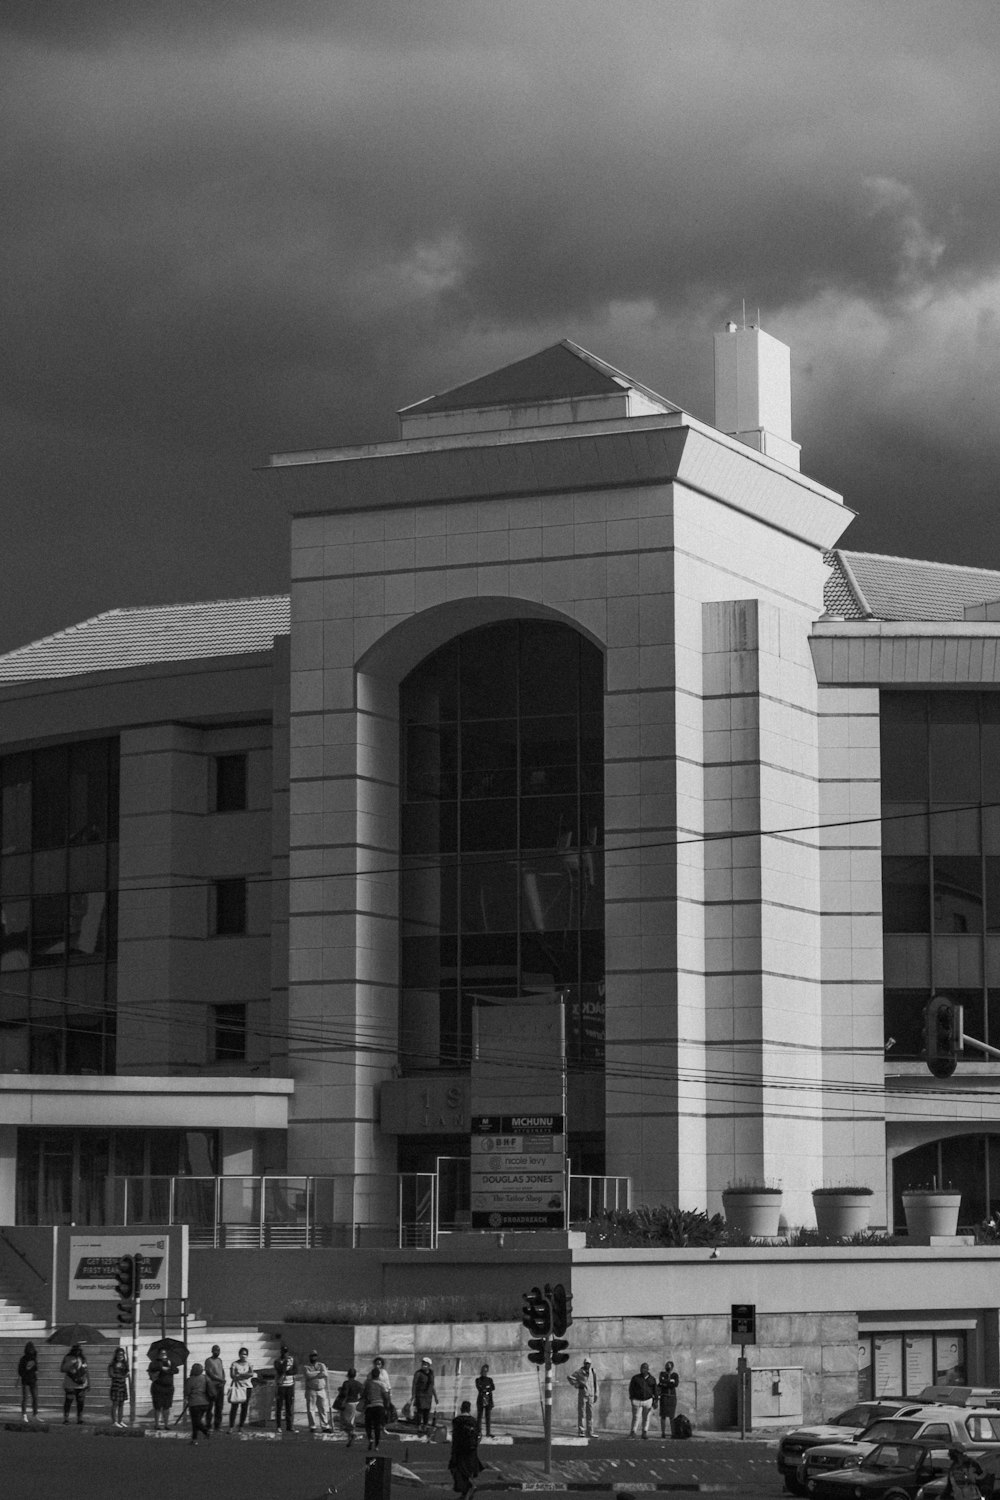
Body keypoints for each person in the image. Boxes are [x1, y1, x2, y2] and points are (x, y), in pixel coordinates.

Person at [449, 1399, 484, 1500]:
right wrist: (475, 1445)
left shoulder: (456, 1421)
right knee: (468, 1471)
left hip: (460, 1451)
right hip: (471, 1451)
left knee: (457, 1470)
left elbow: (455, 1437)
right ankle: (466, 1494)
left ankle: (470, 1488)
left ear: (461, 1409)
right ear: (469, 1409)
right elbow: (479, 1435)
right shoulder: (474, 1421)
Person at [302, 1349, 332, 1433]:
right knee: (311, 1409)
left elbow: (325, 1374)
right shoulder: (306, 1366)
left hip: (321, 1390)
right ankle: (312, 1426)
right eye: (312, 1356)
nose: (313, 1357)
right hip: (311, 1390)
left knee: (323, 1408)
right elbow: (308, 1375)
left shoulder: (321, 1365)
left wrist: (314, 1374)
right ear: (309, 1357)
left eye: (315, 1355)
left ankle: (325, 1426)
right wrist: (319, 1374)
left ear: (317, 1356)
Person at [568, 1357, 597, 1437]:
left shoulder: (593, 1371)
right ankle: (581, 1431)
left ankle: (590, 1432)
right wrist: (577, 1385)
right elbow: (570, 1378)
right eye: (586, 1363)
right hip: (582, 1394)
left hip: (591, 1395)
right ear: (584, 1364)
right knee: (582, 1414)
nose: (587, 1365)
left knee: (590, 1414)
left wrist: (596, 1393)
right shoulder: (579, 1372)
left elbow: (595, 1383)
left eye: (588, 1363)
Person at [361, 1364, 387, 1451]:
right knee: (377, 1426)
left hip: (370, 1406)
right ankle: (376, 1445)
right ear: (379, 1375)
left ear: (371, 1375)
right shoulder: (382, 1384)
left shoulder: (368, 1384)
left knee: (368, 1424)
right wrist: (386, 1407)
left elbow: (363, 1394)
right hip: (379, 1406)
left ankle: (370, 1438)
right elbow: (386, 1396)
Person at [61, 1343, 89, 1424]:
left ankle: (79, 1418)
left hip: (81, 1384)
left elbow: (86, 1371)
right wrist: (72, 1366)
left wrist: (88, 1383)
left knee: (80, 1401)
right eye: (76, 1350)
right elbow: (62, 1369)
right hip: (70, 1383)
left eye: (79, 1350)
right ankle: (66, 1418)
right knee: (69, 1400)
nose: (78, 1352)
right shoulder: (68, 1358)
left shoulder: (83, 1359)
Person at [335, 1366, 363, 1446]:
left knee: (344, 1421)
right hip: (355, 1403)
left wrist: (341, 1390)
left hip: (347, 1403)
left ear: (348, 1375)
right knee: (351, 1420)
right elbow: (362, 1392)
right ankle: (350, 1436)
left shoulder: (346, 1383)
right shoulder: (358, 1384)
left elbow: (344, 1393)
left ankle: (351, 1434)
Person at [628, 1361, 657, 1439]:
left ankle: (644, 1432)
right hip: (637, 1400)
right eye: (641, 1368)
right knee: (636, 1417)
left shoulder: (652, 1379)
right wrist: (632, 1398)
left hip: (648, 1400)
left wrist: (655, 1400)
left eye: (644, 1368)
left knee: (646, 1417)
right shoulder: (635, 1378)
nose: (642, 1370)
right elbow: (631, 1388)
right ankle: (633, 1431)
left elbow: (655, 1390)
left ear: (647, 1369)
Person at [227, 1346, 254, 1430]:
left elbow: (251, 1374)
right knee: (234, 1407)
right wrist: (244, 1375)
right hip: (237, 1387)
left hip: (247, 1387)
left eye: (245, 1354)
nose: (243, 1356)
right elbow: (232, 1375)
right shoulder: (234, 1364)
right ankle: (231, 1426)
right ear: (239, 1354)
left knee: (244, 1407)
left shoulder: (249, 1364)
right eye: (242, 1354)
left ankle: (241, 1425)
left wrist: (240, 1375)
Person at [185, 1362, 211, 1443]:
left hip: (194, 1403)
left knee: (196, 1422)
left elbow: (187, 1392)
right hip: (205, 1402)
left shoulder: (190, 1380)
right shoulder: (205, 1378)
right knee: (197, 1421)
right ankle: (194, 1439)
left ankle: (205, 1431)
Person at [148, 1350, 175, 1430]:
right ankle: (157, 1424)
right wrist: (161, 1368)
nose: (163, 1355)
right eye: (162, 1353)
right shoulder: (154, 1363)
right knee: (157, 1406)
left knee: (167, 1406)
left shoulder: (170, 1362)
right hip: (158, 1386)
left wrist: (169, 1367)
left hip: (168, 1387)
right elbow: (152, 1370)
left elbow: (175, 1370)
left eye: (165, 1353)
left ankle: (166, 1424)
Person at [274, 1344, 297, 1432]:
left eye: (286, 1352)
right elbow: (280, 1371)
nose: (285, 1354)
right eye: (283, 1352)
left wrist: (287, 1372)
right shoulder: (277, 1361)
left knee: (289, 1406)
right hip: (281, 1386)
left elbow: (295, 1370)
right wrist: (285, 1363)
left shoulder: (292, 1360)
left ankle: (289, 1426)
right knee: (279, 1406)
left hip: (290, 1385)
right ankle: (278, 1426)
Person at [411, 1356, 438, 1432]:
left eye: (425, 1364)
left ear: (429, 1365)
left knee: (427, 1412)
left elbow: (432, 1385)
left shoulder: (431, 1374)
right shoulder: (418, 1373)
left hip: (428, 1396)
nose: (423, 1365)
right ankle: (419, 1426)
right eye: (423, 1363)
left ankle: (425, 1426)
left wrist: (436, 1396)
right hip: (420, 1395)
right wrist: (413, 1395)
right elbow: (414, 1385)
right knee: (420, 1411)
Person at [204, 1344, 226, 1431]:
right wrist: (220, 1379)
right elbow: (210, 1373)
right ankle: (208, 1425)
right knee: (210, 1407)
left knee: (219, 1407)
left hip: (220, 1386)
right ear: (212, 1351)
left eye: (218, 1350)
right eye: (215, 1350)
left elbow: (222, 1370)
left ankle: (217, 1425)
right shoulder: (208, 1361)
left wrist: (223, 1380)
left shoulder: (220, 1360)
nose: (217, 1352)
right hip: (212, 1386)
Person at [108, 1346, 130, 1427]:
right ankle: (114, 1421)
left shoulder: (125, 1364)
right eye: (119, 1354)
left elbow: (127, 1374)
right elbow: (111, 1374)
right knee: (115, 1404)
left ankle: (120, 1420)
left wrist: (126, 1374)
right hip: (116, 1386)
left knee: (121, 1404)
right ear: (116, 1355)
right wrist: (121, 1375)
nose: (120, 1356)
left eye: (122, 1354)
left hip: (122, 1385)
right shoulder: (112, 1365)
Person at [17, 1340, 38, 1421]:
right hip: (27, 1380)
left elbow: (35, 1368)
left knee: (33, 1397)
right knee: (27, 1398)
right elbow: (20, 1370)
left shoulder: (32, 1358)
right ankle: (25, 1414)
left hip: (30, 1380)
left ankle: (32, 1414)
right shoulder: (25, 1359)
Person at [657, 1362, 679, 1438]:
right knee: (663, 1416)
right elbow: (661, 1382)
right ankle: (663, 1433)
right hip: (664, 1397)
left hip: (672, 1397)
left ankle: (673, 1433)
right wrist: (669, 1383)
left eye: (669, 1366)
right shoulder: (662, 1374)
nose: (667, 1367)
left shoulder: (675, 1375)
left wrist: (665, 1383)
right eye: (666, 1366)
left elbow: (675, 1384)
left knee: (671, 1416)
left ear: (672, 1367)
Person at [474, 1362, 495, 1437]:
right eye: (483, 1371)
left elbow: (492, 1387)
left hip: (488, 1399)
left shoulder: (489, 1379)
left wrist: (486, 1389)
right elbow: (480, 1388)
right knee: (479, 1417)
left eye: (485, 1371)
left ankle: (488, 1433)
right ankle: (479, 1432)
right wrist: (487, 1388)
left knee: (488, 1417)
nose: (484, 1372)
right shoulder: (478, 1379)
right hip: (481, 1399)